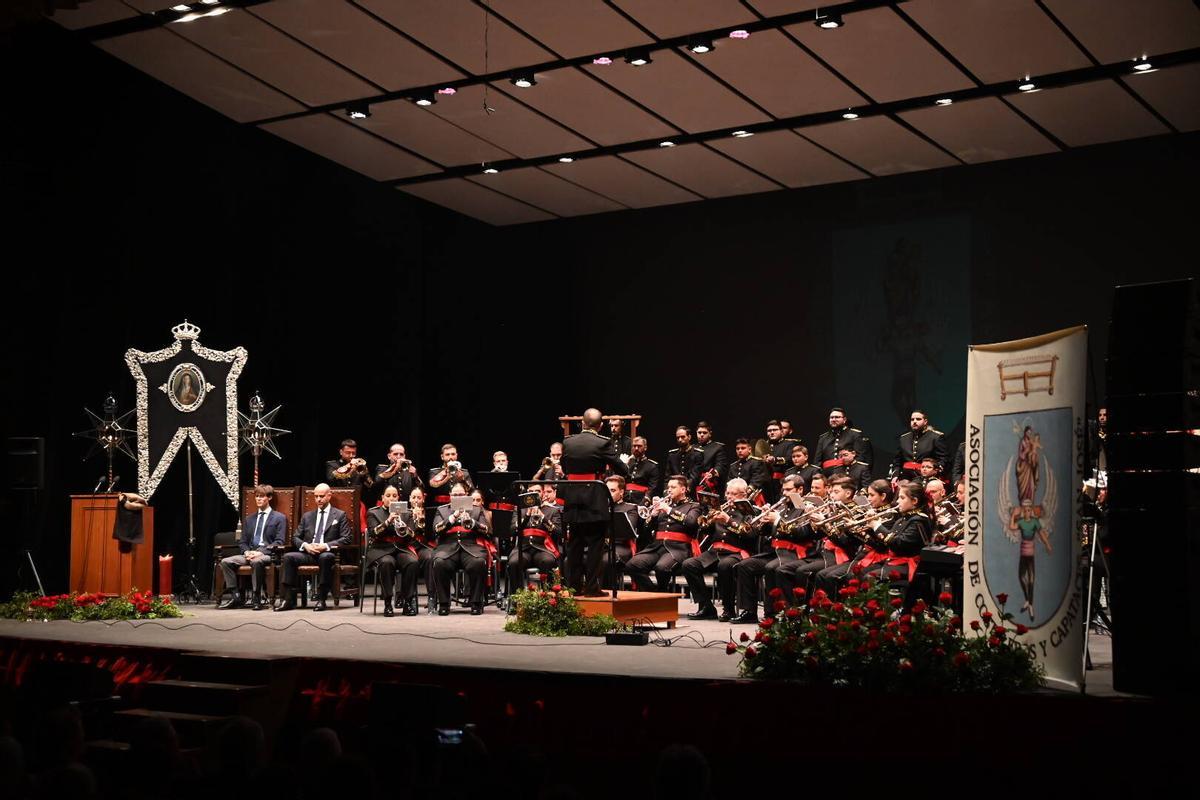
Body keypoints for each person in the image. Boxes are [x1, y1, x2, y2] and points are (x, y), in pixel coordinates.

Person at [560, 408, 629, 595]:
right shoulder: (603, 442)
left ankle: (573, 586)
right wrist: (626, 467)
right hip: (594, 500)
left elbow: (564, 467)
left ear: (582, 423)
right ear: (600, 426)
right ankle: (592, 588)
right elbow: (621, 468)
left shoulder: (568, 442)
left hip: (572, 498)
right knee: (595, 545)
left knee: (574, 545)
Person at [682, 478, 757, 621]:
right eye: (727, 493)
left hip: (737, 552)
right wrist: (709, 522)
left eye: (733, 494)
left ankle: (728, 610)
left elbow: (751, 534)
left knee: (725, 566)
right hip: (715, 551)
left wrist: (728, 521)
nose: (729, 497)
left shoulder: (750, 511)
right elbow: (707, 530)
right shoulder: (721, 508)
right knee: (689, 565)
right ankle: (706, 606)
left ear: (744, 494)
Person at [276, 484, 351, 611]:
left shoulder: (339, 515)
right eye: (316, 496)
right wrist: (306, 546)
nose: (318, 499)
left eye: (321, 496)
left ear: (329, 496)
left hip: (326, 553)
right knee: (288, 557)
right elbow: (295, 538)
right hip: (308, 553)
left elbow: (346, 538)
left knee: (325, 557)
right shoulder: (308, 516)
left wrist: (325, 546)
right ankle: (288, 599)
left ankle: (321, 599)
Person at [624, 475, 700, 592]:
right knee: (632, 565)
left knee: (662, 568)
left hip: (678, 548)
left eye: (673, 487)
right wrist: (653, 514)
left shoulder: (693, 506)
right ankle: (654, 593)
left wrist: (668, 510)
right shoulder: (664, 505)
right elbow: (646, 530)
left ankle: (662, 593)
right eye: (668, 487)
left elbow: (691, 522)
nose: (669, 490)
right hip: (656, 547)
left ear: (683, 489)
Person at [219, 484, 286, 610]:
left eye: (262, 496)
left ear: (269, 497)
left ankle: (257, 598)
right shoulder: (249, 519)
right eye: (257, 496)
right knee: (226, 562)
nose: (258, 499)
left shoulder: (279, 518)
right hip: (250, 554)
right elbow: (243, 542)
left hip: (267, 555)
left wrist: (260, 552)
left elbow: (279, 541)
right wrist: (246, 552)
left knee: (256, 561)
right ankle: (236, 596)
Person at [431, 482, 492, 615]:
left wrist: (472, 522)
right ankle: (444, 603)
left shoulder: (476, 509)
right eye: (455, 495)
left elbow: (487, 530)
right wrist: (452, 518)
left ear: (466, 495)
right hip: (447, 548)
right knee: (439, 563)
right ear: (450, 496)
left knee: (479, 562)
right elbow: (436, 530)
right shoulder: (442, 510)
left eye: (461, 495)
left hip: (471, 548)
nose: (458, 497)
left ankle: (476, 603)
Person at [365, 485, 420, 617]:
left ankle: (407, 602)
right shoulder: (374, 512)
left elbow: (412, 536)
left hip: (400, 548)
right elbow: (373, 533)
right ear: (382, 498)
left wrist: (404, 525)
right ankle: (388, 603)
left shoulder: (406, 512)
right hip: (380, 549)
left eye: (394, 496)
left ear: (398, 498)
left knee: (412, 562)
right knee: (387, 563)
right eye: (388, 496)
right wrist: (389, 520)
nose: (391, 498)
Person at [507, 484, 562, 594]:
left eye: (537, 491)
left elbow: (559, 533)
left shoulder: (552, 511)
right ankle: (517, 598)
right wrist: (527, 516)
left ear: (543, 493)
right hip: (523, 548)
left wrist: (544, 518)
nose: (534, 493)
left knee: (548, 561)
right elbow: (512, 530)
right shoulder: (519, 509)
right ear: (527, 493)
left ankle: (548, 597)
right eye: (531, 491)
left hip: (543, 548)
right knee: (514, 562)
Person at [1010, 498, 1052, 620]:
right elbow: (1012, 527)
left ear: (1031, 511)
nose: (1027, 512)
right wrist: (1013, 515)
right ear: (1023, 511)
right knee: (1021, 577)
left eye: (1029, 510)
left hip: (1031, 553)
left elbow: (1042, 534)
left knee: (1031, 580)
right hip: (1024, 553)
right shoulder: (1022, 522)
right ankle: (1028, 601)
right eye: (1026, 510)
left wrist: (1047, 544)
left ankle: (1031, 605)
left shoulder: (1035, 522)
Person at [599, 475, 642, 589]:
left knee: (606, 561)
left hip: (620, 546)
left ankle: (606, 597)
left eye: (612, 490)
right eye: (606, 490)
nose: (608, 494)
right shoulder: (599, 508)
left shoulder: (630, 508)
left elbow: (627, 531)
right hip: (600, 546)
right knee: (573, 559)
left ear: (621, 492)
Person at [890, 410, 947, 481]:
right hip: (905, 477)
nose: (914, 421)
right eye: (912, 419)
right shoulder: (903, 438)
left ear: (925, 421)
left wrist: (935, 472)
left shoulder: (936, 437)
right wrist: (895, 476)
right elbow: (897, 462)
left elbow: (943, 460)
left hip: (928, 478)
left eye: (918, 419)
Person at [814, 408, 867, 475]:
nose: (833, 420)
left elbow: (859, 459)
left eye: (837, 417)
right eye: (831, 417)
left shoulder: (854, 435)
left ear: (844, 420)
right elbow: (817, 462)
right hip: (827, 476)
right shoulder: (823, 438)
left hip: (847, 475)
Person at [693, 421, 729, 496]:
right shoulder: (692, 448)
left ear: (710, 433)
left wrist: (712, 474)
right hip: (693, 483)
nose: (702, 435)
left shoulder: (718, 447)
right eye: (699, 432)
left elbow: (720, 465)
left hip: (709, 484)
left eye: (704, 432)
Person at [626, 436, 660, 504]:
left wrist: (645, 500)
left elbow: (652, 488)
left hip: (640, 499)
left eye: (639, 446)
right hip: (625, 497)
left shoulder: (652, 466)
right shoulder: (628, 462)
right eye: (634, 446)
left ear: (645, 448)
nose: (636, 448)